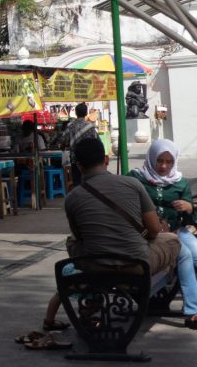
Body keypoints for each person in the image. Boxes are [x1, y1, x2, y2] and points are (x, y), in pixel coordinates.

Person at [63, 137, 192, 324]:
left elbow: (79, 236)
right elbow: (154, 230)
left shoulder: (72, 197)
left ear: (79, 167)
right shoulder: (132, 184)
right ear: (106, 159)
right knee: (174, 241)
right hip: (137, 263)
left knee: (71, 241)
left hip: (95, 263)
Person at [127, 139, 197, 327]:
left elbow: (191, 220)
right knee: (185, 255)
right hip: (148, 234)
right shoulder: (136, 178)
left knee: (195, 252)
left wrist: (189, 208)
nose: (164, 166)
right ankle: (193, 311)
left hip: (177, 230)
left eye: (169, 161)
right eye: (159, 161)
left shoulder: (180, 183)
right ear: (151, 158)